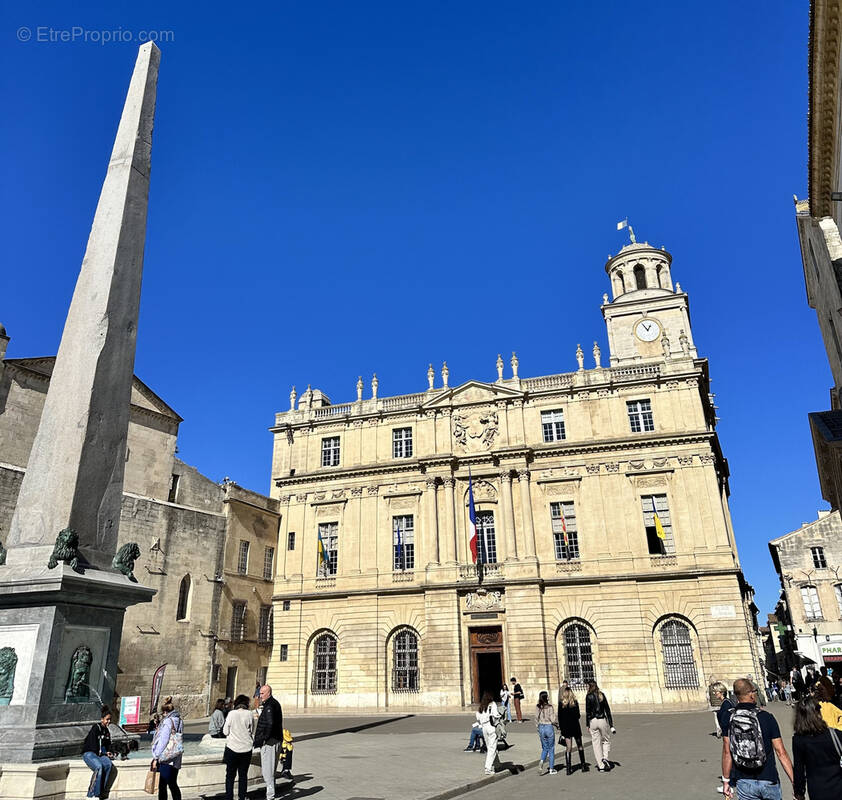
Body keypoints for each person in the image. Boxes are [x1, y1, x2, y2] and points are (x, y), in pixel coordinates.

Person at [721, 678, 794, 799]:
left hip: (743, 780)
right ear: (751, 694)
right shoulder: (766, 717)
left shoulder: (728, 717)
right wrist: (794, 781)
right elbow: (781, 752)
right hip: (768, 777)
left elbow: (727, 751)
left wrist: (726, 780)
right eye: (754, 691)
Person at [792, 695, 842, 800]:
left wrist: (799, 792)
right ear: (818, 713)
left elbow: (799, 770)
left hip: (817, 790)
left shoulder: (798, 740)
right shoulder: (835, 734)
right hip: (838, 787)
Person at [253, 684, 283, 800]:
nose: (260, 696)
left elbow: (270, 724)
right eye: (260, 693)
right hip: (276, 739)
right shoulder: (274, 703)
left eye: (262, 693)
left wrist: (264, 739)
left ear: (268, 693)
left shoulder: (270, 706)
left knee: (267, 771)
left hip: (270, 742)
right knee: (271, 769)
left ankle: (270, 796)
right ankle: (271, 793)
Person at [223, 694, 254, 800]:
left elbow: (225, 731)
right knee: (243, 775)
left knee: (230, 776)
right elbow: (251, 730)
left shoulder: (232, 714)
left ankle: (229, 797)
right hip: (246, 748)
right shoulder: (249, 714)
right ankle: (242, 797)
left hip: (232, 748)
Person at [151, 697, 183, 800]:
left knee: (162, 786)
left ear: (165, 712)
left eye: (162, 714)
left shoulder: (168, 722)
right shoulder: (179, 720)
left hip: (166, 758)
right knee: (173, 784)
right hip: (176, 757)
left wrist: (156, 757)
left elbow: (163, 741)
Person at [82, 705, 115, 800]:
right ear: (102, 719)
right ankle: (91, 794)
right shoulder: (96, 728)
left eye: (110, 719)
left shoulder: (107, 731)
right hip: (89, 753)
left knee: (108, 764)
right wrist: (103, 753)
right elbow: (93, 745)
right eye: (107, 719)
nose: (108, 721)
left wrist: (109, 752)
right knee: (99, 767)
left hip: (100, 754)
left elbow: (108, 745)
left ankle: (100, 792)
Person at [585, 680, 615, 772]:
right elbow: (607, 710)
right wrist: (611, 724)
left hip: (593, 721)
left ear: (590, 687)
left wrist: (587, 724)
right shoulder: (601, 695)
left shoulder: (588, 696)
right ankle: (605, 757)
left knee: (596, 743)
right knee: (605, 740)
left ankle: (601, 765)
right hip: (602, 720)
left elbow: (588, 711)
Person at [558, 686, 588, 774]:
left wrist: (561, 729)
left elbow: (560, 717)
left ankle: (568, 768)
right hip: (575, 726)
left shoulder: (561, 704)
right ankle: (583, 765)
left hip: (566, 728)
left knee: (568, 747)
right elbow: (578, 715)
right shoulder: (574, 703)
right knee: (580, 745)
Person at [477, 691, 501, 775]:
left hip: (484, 727)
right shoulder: (493, 704)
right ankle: (488, 768)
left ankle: (497, 764)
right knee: (492, 748)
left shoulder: (482, 706)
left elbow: (478, 717)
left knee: (490, 747)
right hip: (491, 727)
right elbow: (495, 715)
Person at [535, 690, 559, 775]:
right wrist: (557, 725)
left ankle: (542, 761)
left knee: (545, 748)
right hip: (548, 727)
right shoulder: (549, 707)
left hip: (541, 727)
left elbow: (536, 718)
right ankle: (551, 769)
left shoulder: (538, 707)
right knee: (551, 748)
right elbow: (553, 719)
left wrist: (538, 728)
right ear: (546, 697)